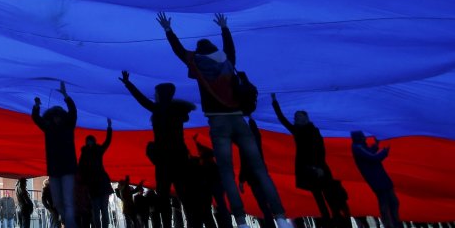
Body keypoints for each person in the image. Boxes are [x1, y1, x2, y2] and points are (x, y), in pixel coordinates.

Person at [158, 12, 290, 228]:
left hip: (218, 122)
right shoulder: (227, 62)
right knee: (259, 169)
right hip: (238, 119)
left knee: (226, 171)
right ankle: (281, 217)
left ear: (199, 52)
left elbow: (179, 51)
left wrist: (168, 30)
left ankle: (240, 220)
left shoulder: (197, 64)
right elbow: (230, 48)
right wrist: (224, 28)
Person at [119, 71, 194, 228]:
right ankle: (194, 223)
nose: (154, 95)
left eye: (156, 93)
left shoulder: (159, 110)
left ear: (161, 94)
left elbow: (141, 100)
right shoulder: (178, 112)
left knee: (163, 196)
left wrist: (128, 84)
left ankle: (167, 225)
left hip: (164, 159)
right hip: (180, 157)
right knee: (184, 194)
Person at [271, 94, 336, 226]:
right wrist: (274, 101)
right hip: (307, 168)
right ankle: (328, 222)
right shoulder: (297, 130)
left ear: (305, 118)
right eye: (296, 117)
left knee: (329, 196)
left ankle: (335, 220)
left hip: (318, 166)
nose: (296, 118)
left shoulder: (313, 131)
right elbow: (282, 119)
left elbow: (320, 149)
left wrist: (319, 167)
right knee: (319, 197)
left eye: (299, 116)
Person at [31, 82, 77, 228]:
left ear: (62, 117)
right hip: (55, 170)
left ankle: (70, 225)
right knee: (57, 202)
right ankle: (67, 222)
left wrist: (65, 95)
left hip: (68, 169)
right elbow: (36, 119)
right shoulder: (49, 129)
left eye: (59, 116)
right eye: (54, 116)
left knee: (68, 202)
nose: (57, 118)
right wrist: (37, 106)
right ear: (51, 118)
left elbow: (73, 112)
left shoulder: (68, 126)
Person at [351, 131, 399, 228]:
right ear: (359, 137)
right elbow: (373, 157)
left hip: (381, 179)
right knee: (386, 204)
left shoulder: (360, 147)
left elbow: (370, 153)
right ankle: (390, 225)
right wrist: (384, 152)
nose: (365, 137)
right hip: (377, 181)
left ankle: (394, 224)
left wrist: (376, 145)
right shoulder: (357, 147)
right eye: (363, 135)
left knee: (393, 202)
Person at [78, 120, 113, 228]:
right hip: (97, 185)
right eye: (88, 141)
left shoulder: (95, 151)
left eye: (90, 141)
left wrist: (109, 128)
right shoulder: (89, 153)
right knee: (99, 210)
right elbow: (80, 169)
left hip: (98, 185)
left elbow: (107, 142)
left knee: (100, 210)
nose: (89, 143)